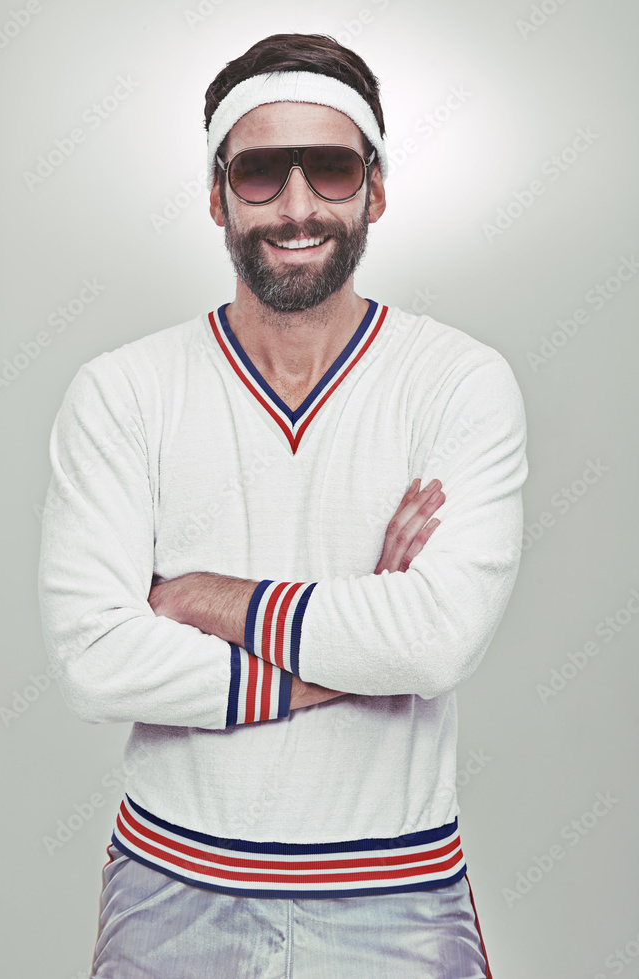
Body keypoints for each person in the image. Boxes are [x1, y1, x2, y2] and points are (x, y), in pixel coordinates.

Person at [38, 32, 526, 978]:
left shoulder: (460, 382)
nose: (297, 207)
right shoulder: (122, 392)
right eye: (261, 172)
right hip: (171, 889)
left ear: (375, 189)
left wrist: (199, 596)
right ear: (217, 194)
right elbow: (95, 660)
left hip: (397, 895)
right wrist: (357, 648)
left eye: (332, 169)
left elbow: (433, 643)